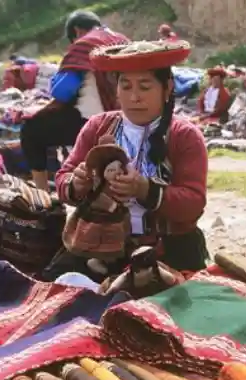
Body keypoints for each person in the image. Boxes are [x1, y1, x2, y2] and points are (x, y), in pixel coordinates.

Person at [52, 39, 209, 280]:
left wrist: (144, 189)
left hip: (168, 248)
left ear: (166, 89)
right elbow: (63, 180)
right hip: (99, 244)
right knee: (62, 290)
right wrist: (78, 183)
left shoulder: (184, 136)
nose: (134, 97)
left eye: (145, 87)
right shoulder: (97, 127)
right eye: (126, 86)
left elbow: (194, 203)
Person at [19, 10, 129, 191]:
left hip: (92, 122)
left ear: (77, 31)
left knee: (31, 130)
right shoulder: (122, 39)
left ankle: (42, 193)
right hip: (124, 120)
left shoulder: (85, 44)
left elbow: (63, 91)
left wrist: (55, 81)